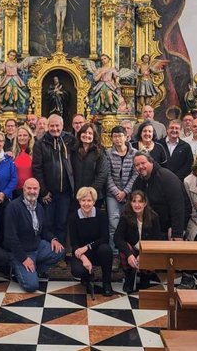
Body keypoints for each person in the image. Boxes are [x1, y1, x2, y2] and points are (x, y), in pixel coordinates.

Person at [5, 178, 64, 292]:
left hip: (36, 246)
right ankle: (18, 270)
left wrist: (53, 239)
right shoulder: (13, 207)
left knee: (60, 251)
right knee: (31, 286)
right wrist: (24, 258)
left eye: (35, 188)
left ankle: (33, 269)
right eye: (29, 188)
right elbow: (10, 237)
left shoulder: (39, 207)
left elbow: (44, 230)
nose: (32, 191)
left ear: (39, 190)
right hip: (20, 252)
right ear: (23, 189)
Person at [32, 114, 76, 257]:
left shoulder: (70, 140)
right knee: (48, 223)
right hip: (48, 193)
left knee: (62, 223)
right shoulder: (40, 143)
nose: (55, 128)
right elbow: (37, 168)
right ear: (47, 126)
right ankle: (48, 253)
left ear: (62, 126)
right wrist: (43, 191)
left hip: (65, 192)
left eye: (57, 125)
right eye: (52, 126)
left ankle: (60, 254)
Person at [114, 190, 164, 294]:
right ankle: (129, 276)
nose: (137, 205)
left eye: (140, 201)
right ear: (130, 203)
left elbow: (157, 239)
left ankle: (146, 276)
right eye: (134, 201)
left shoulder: (153, 217)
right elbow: (118, 238)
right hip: (132, 250)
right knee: (124, 248)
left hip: (147, 249)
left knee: (155, 251)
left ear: (145, 203)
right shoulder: (125, 216)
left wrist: (144, 254)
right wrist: (129, 255)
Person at [68, 187, 113, 296]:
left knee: (106, 249)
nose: (86, 204)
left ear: (94, 201)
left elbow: (105, 238)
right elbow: (74, 244)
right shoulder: (73, 217)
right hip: (82, 253)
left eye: (89, 200)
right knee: (77, 270)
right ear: (79, 201)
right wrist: (83, 258)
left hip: (98, 251)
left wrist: (87, 247)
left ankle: (107, 283)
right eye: (83, 200)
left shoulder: (101, 215)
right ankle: (87, 278)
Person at [105, 126, 139, 259]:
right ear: (112, 138)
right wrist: (116, 192)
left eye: (120, 135)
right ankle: (114, 254)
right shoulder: (108, 153)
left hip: (129, 194)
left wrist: (125, 192)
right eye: (115, 136)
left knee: (128, 223)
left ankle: (127, 253)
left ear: (126, 137)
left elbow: (136, 174)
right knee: (113, 223)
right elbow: (106, 175)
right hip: (112, 194)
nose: (118, 138)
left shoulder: (134, 153)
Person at [71, 123, 108, 209]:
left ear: (94, 136)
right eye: (84, 132)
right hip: (77, 195)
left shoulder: (100, 151)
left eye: (90, 133)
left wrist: (90, 192)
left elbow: (102, 174)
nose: (87, 135)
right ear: (80, 134)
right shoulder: (74, 151)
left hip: (94, 196)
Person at [11, 124, 34, 197]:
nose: (22, 137)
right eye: (20, 135)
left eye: (25, 135)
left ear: (29, 137)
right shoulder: (11, 154)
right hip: (15, 190)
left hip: (31, 189)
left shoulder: (35, 152)